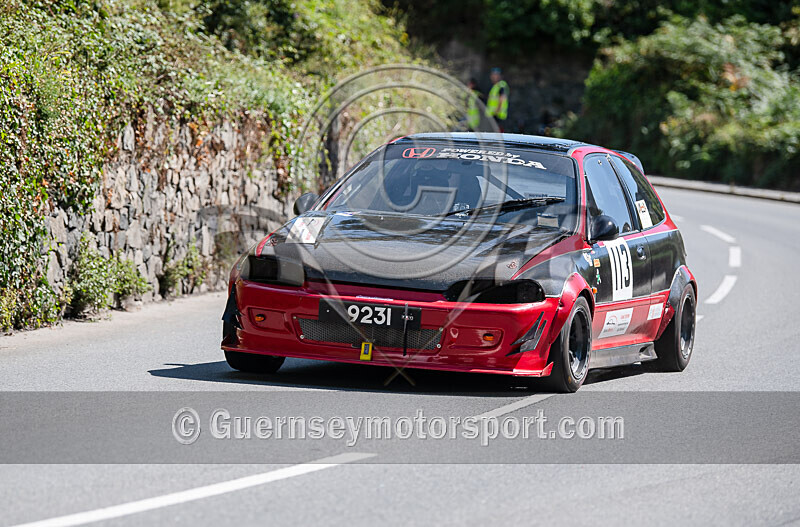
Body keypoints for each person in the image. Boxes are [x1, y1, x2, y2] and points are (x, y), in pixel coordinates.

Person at [485, 67, 509, 132]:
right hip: (494, 115)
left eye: (495, 75)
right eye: (492, 75)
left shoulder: (501, 85)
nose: (493, 76)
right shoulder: (495, 86)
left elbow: (502, 98)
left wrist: (497, 110)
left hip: (498, 116)